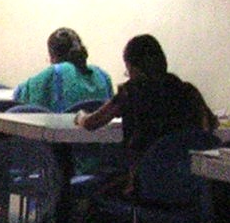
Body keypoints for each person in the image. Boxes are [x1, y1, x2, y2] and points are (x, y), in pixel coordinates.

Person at [75, 33, 216, 175]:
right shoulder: (188, 91)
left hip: (143, 178)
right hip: (188, 180)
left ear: (135, 69)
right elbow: (211, 125)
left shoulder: (130, 93)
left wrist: (80, 116)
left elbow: (91, 123)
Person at [12, 26, 113, 112]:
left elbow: (19, 94)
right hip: (100, 134)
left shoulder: (56, 72)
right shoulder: (102, 76)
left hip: (64, 134)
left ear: (53, 56)